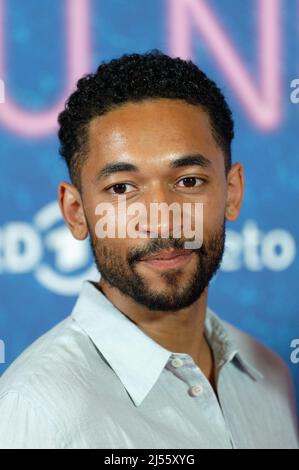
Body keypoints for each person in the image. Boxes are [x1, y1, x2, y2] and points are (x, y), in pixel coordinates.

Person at [0, 50, 298, 449]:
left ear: (233, 192)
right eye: (122, 188)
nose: (162, 219)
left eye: (189, 181)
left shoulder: (271, 375)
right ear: (75, 212)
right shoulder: (35, 412)